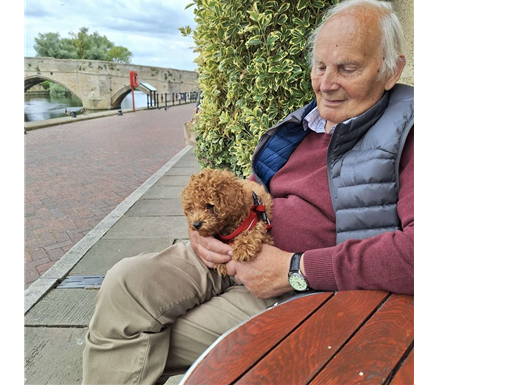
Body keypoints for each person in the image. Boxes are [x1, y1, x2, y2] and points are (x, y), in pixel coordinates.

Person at [82, 0, 413, 384]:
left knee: (135, 336)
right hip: (234, 248)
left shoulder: (410, 132)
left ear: (392, 71)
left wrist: (295, 270)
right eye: (320, 66)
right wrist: (201, 230)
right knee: (125, 282)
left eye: (347, 68)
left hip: (306, 286)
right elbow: (249, 189)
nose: (326, 83)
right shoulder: (306, 124)